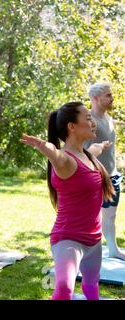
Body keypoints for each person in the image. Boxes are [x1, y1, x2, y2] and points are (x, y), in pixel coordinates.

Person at [20, 101, 114, 300]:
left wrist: (103, 146)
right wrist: (44, 147)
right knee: (63, 288)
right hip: (69, 239)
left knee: (91, 286)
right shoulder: (65, 160)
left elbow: (95, 149)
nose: (93, 121)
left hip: (94, 239)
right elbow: (56, 155)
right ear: (72, 126)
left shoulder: (88, 155)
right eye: (87, 118)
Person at [85, 83, 125, 260]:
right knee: (90, 216)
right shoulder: (87, 120)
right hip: (94, 175)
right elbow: (79, 148)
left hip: (112, 175)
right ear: (95, 98)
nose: (112, 98)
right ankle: (87, 251)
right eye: (108, 95)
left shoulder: (108, 118)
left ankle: (113, 250)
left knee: (110, 215)